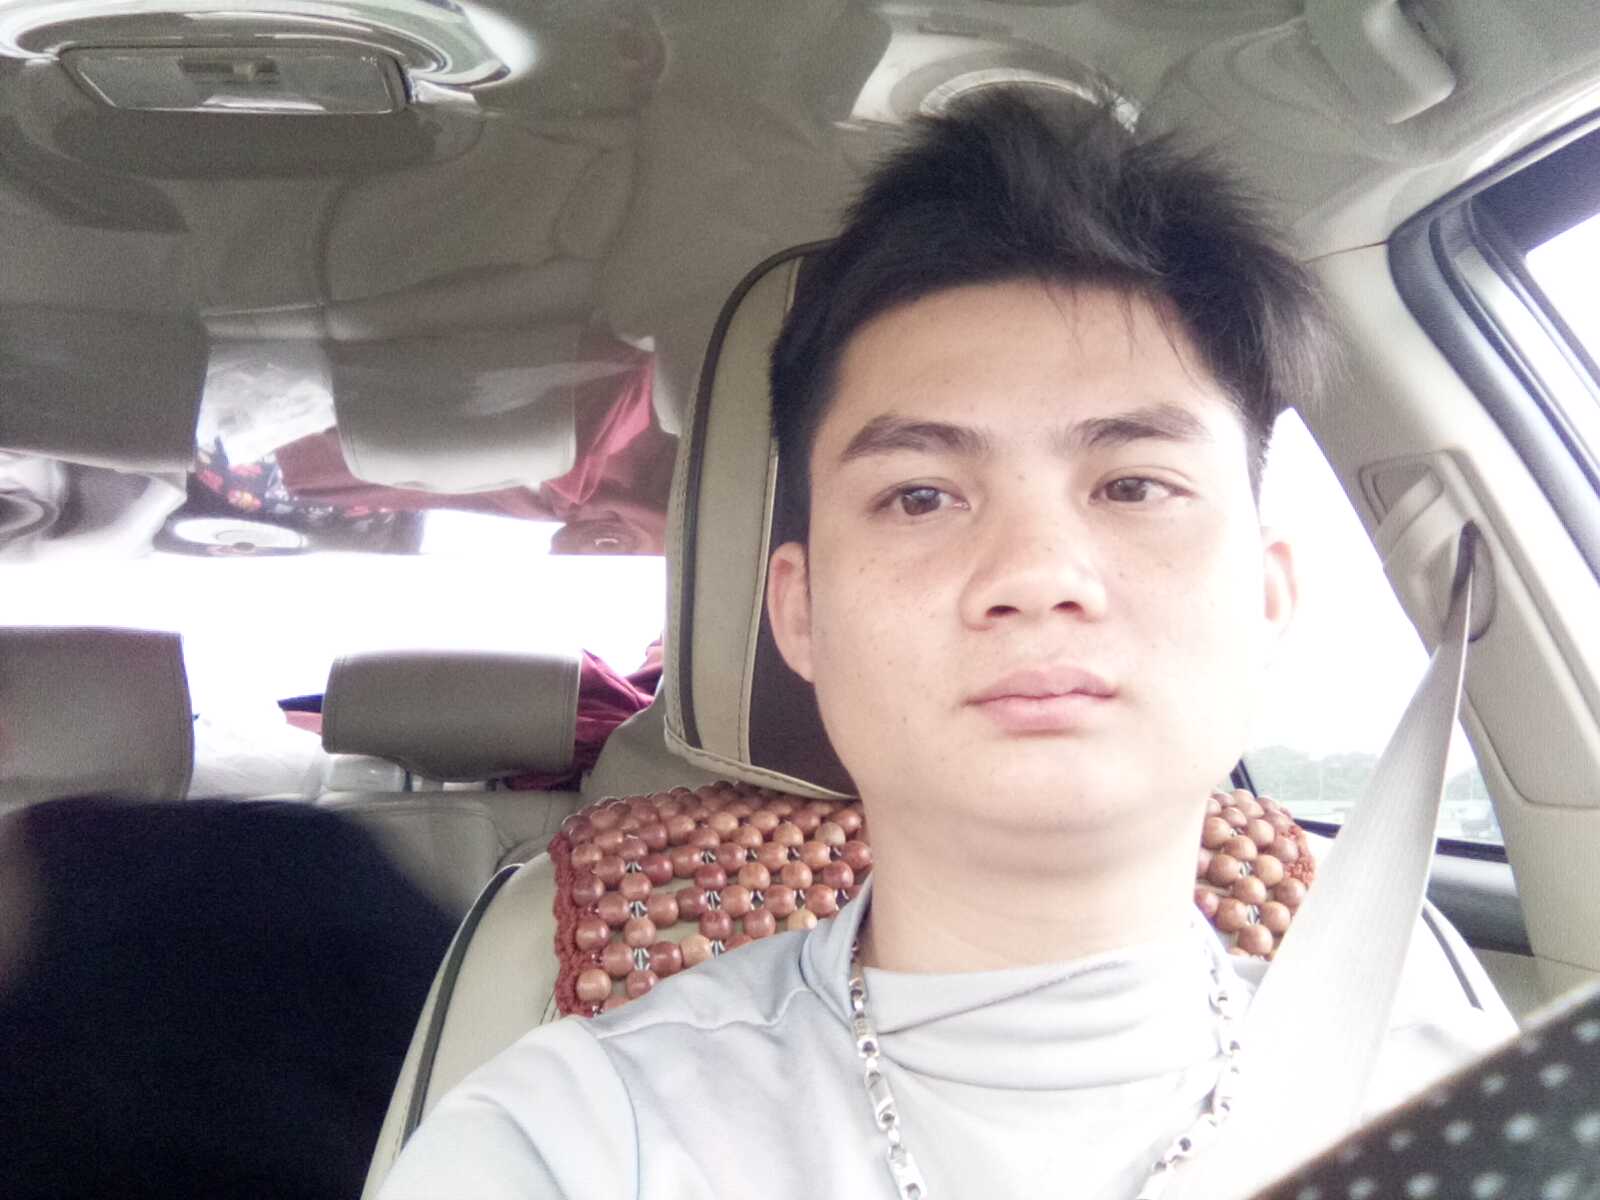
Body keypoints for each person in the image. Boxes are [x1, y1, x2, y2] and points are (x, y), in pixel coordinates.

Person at [379, 89, 1511, 1199]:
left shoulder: (1483, 1114)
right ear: (799, 613)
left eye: (1132, 484)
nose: (1035, 574)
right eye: (920, 496)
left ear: (1267, 596)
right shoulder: (572, 1138)